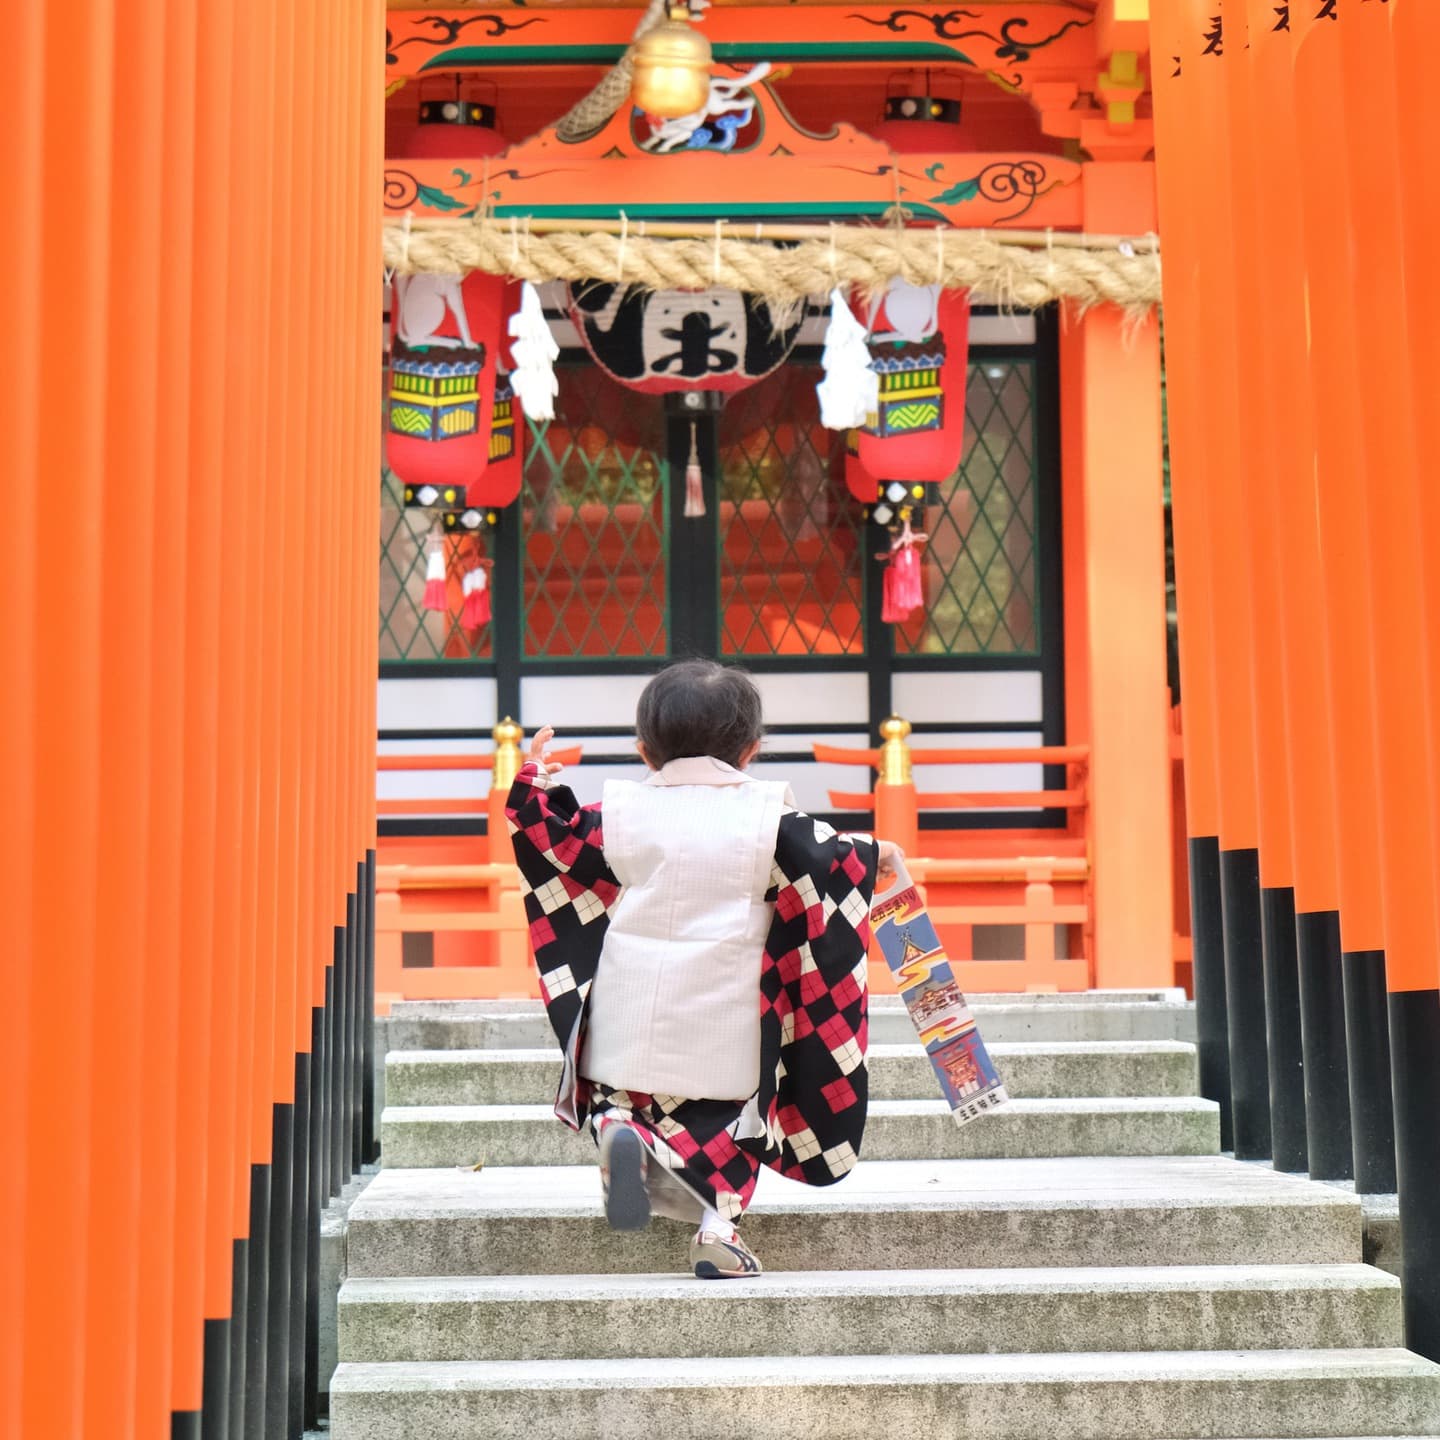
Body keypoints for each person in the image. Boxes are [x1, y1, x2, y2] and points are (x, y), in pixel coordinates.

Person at [505, 659, 900, 1279]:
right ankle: (718, 1230)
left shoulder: (623, 813)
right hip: (726, 1020)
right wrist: (874, 858)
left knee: (628, 1100)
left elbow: (553, 838)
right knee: (726, 1129)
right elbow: (831, 863)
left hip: (626, 1012)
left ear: (644, 750)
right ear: (751, 750)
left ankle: (616, 1129)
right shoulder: (773, 820)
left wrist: (534, 782)